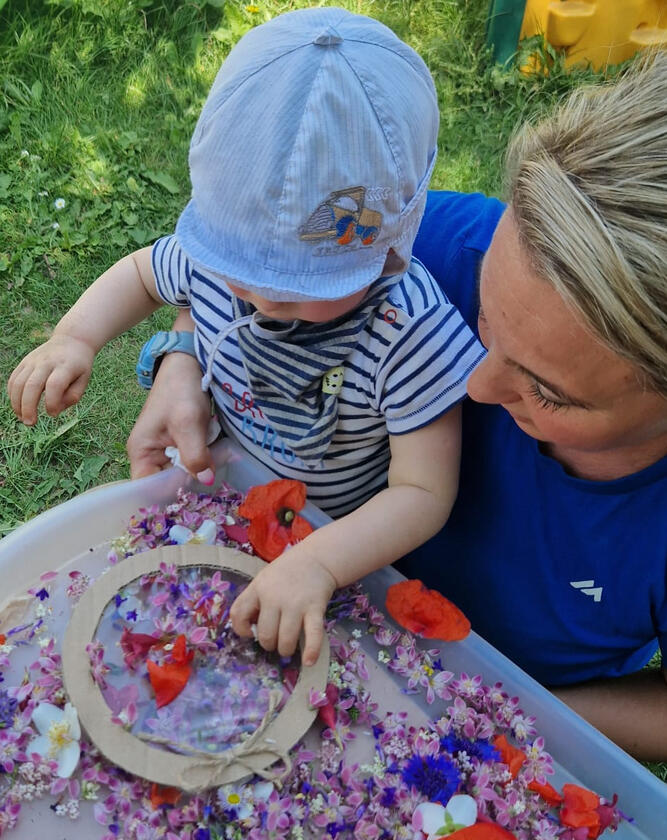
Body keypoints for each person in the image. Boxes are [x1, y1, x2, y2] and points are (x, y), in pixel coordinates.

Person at [120, 52, 667, 761]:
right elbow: (246, 268)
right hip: (307, 597)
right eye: (485, 325)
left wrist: (518, 713)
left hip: (491, 703)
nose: (474, 389)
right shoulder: (431, 246)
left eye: (548, 391)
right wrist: (180, 358)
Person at [6, 9, 483, 669]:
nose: (257, 300)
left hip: (339, 541)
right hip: (226, 485)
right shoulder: (214, 264)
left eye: (293, 290)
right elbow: (142, 273)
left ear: (389, 247)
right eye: (242, 276)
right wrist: (74, 337)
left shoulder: (410, 332)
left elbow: (424, 494)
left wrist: (319, 563)